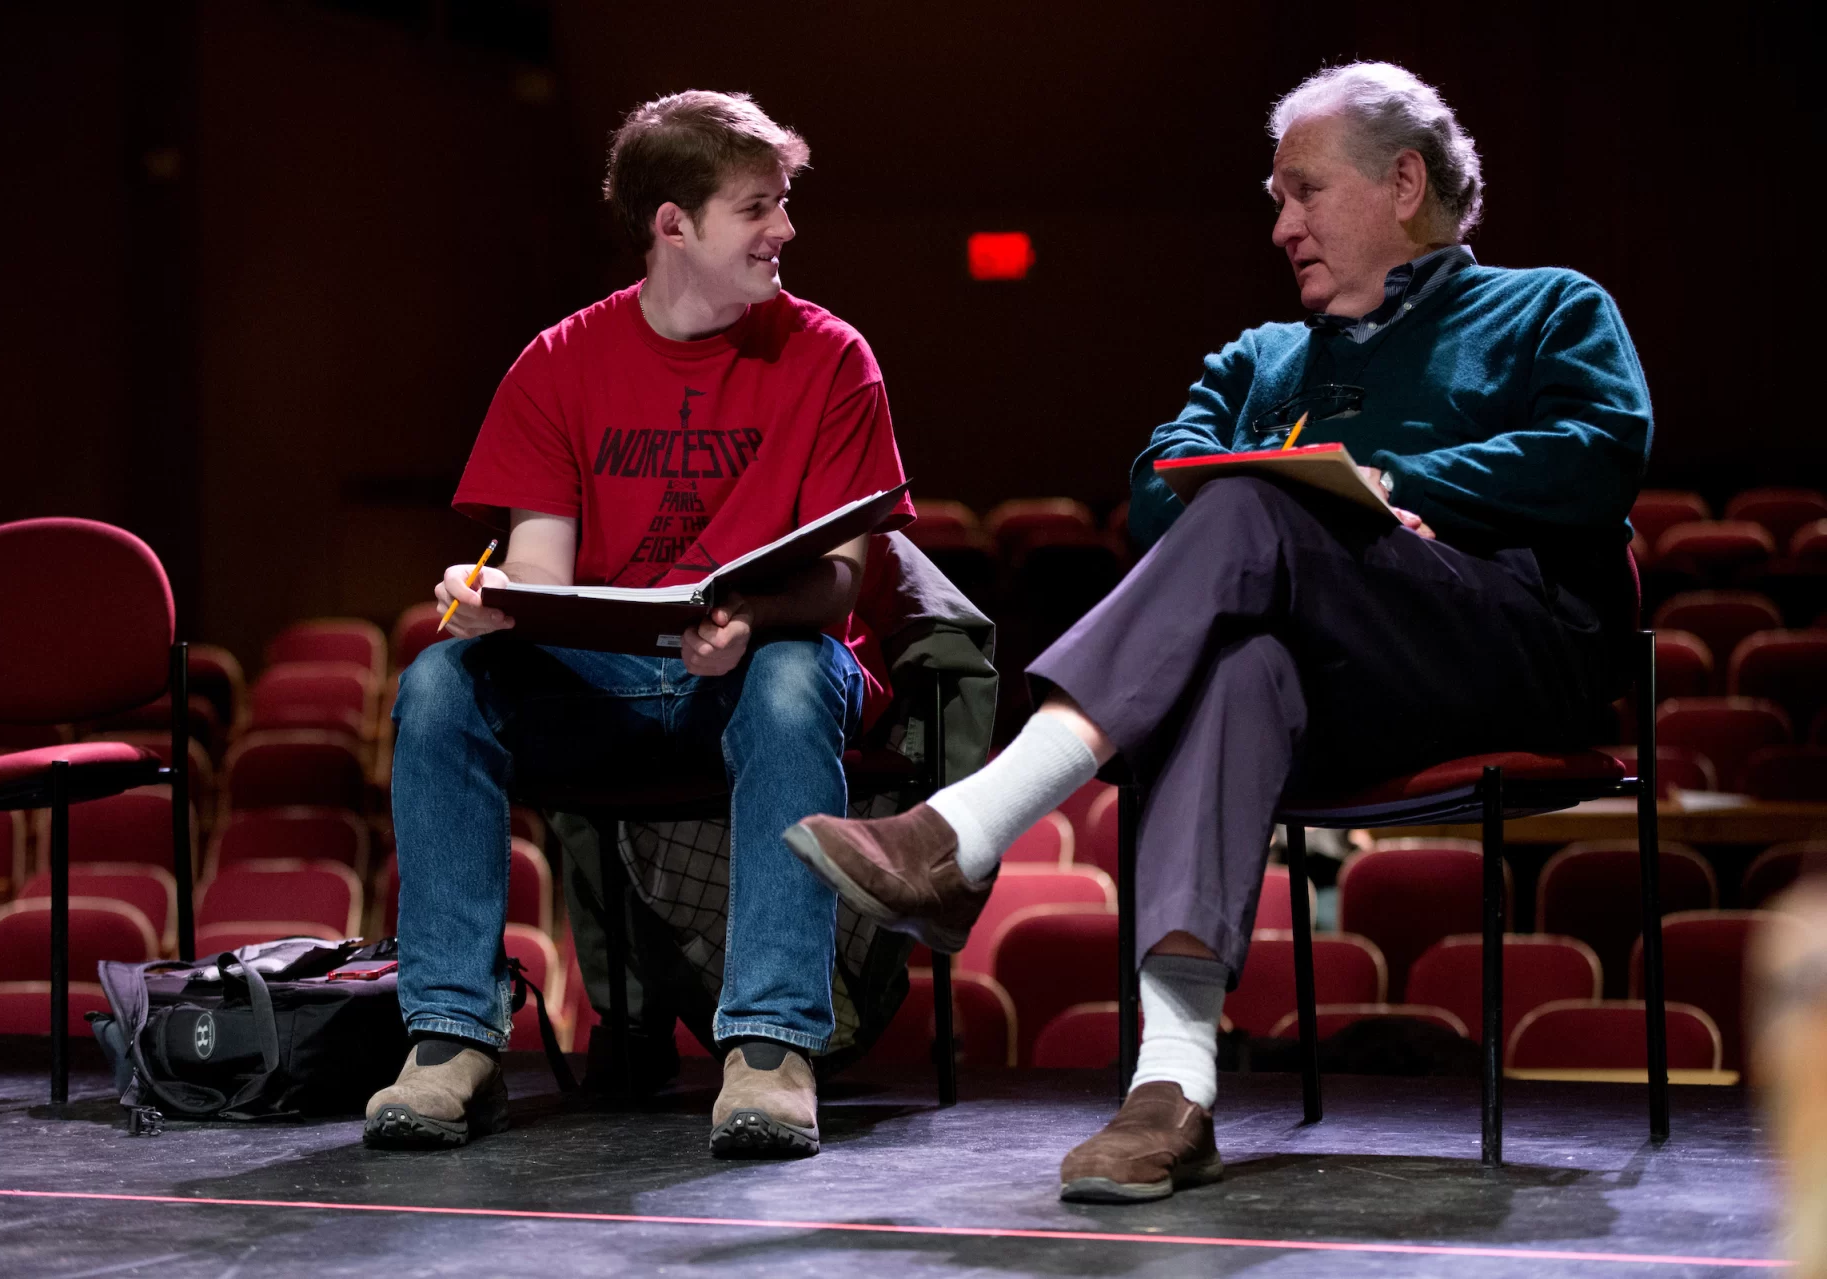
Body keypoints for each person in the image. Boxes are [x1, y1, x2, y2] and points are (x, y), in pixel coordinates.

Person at [784, 61, 1652, 1201]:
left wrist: (1386, 480)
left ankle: (968, 828)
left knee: (1251, 502)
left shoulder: (1548, 306)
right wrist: (1302, 493)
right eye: (1273, 197)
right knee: (1237, 658)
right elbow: (1155, 494)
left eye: (1302, 191)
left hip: (1501, 647)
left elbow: (1601, 450)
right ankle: (1173, 1088)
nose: (1280, 223)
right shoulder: (1260, 360)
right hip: (1332, 691)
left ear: (1403, 182)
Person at [365, 90, 913, 1158]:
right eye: (758, 207)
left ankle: (767, 1046)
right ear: (673, 225)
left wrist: (749, 616)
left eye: (783, 202)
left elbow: (839, 582)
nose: (785, 230)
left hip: (760, 669)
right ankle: (450, 1038)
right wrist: (493, 607)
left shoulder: (831, 357)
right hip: (610, 679)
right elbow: (540, 569)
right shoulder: (558, 362)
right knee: (438, 681)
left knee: (796, 673)